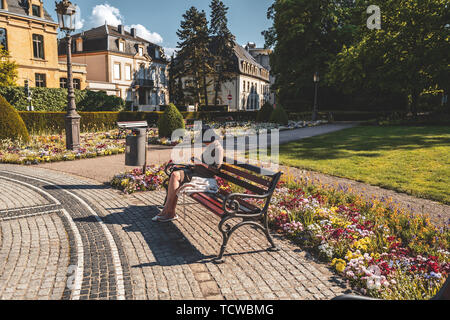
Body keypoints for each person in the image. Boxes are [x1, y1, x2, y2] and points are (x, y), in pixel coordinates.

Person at [153, 126, 224, 222]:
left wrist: (200, 163)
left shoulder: (218, 148)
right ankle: (170, 211)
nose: (203, 143)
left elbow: (216, 170)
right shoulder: (210, 146)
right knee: (174, 174)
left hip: (204, 177)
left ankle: (168, 211)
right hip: (196, 172)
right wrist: (196, 163)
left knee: (175, 176)